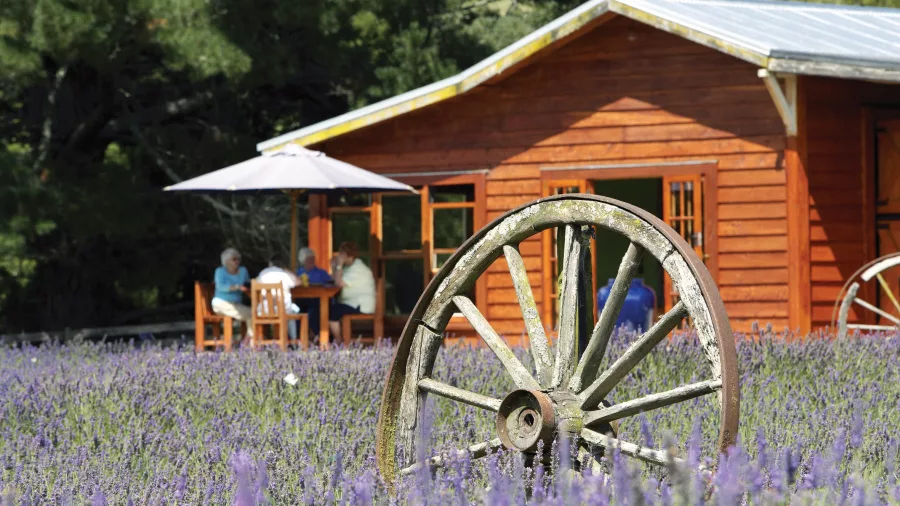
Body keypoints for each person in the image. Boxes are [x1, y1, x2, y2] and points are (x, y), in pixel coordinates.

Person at [328, 241, 376, 339]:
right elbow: (336, 279)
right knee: (324, 308)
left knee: (330, 312)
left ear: (346, 254)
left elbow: (338, 283)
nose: (338, 256)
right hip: (351, 303)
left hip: (360, 306)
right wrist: (334, 267)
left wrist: (338, 265)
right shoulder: (349, 267)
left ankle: (338, 341)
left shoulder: (358, 269)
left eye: (340, 253)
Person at [211, 247, 253, 343]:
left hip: (236, 304)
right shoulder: (220, 271)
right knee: (252, 314)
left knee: (254, 313)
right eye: (234, 259)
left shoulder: (243, 271)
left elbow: (247, 283)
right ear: (226, 261)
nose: (237, 261)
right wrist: (237, 287)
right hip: (221, 303)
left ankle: (248, 340)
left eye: (238, 258)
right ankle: (249, 341)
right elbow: (221, 286)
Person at [257, 255, 302, 340]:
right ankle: (293, 341)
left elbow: (255, 283)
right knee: (294, 311)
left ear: (270, 263)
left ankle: (259, 343)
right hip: (283, 310)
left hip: (264, 311)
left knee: (291, 311)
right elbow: (298, 282)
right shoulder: (284, 274)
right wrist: (287, 270)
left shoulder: (264, 273)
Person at [294, 247, 333, 340]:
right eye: (308, 259)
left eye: (313, 258)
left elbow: (331, 285)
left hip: (320, 300)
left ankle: (317, 335)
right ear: (303, 261)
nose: (311, 261)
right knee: (298, 310)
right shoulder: (298, 273)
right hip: (302, 300)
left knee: (315, 308)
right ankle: (299, 338)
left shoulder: (321, 273)